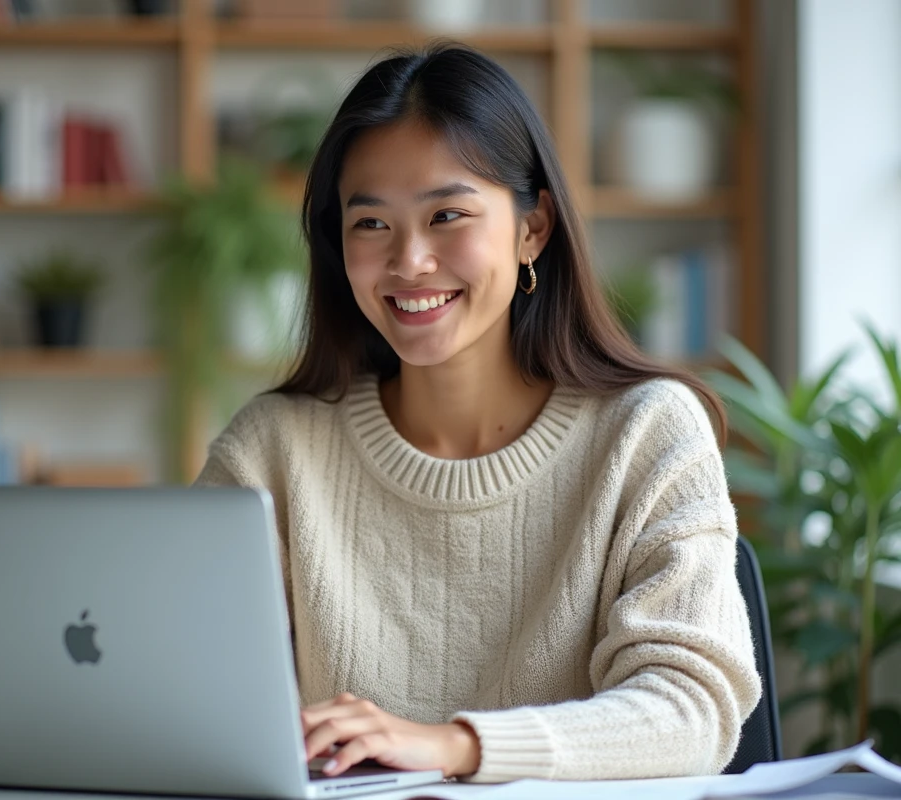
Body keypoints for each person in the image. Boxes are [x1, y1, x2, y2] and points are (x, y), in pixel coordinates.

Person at [194, 43, 760, 784]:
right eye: (371, 225)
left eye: (447, 215)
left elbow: (691, 713)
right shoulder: (273, 450)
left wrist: (453, 746)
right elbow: (185, 693)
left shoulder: (647, 433)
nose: (410, 261)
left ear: (534, 228)